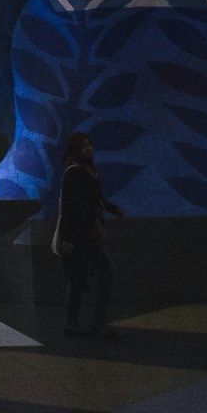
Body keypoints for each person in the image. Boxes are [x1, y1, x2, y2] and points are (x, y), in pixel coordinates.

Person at [53, 131, 123, 338]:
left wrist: (112, 209)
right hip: (81, 235)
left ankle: (75, 323)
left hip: (87, 233)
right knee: (97, 273)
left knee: (79, 277)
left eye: (89, 144)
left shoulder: (87, 171)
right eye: (83, 145)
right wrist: (93, 222)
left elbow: (95, 199)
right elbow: (74, 205)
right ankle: (90, 323)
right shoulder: (75, 172)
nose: (88, 148)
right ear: (76, 150)